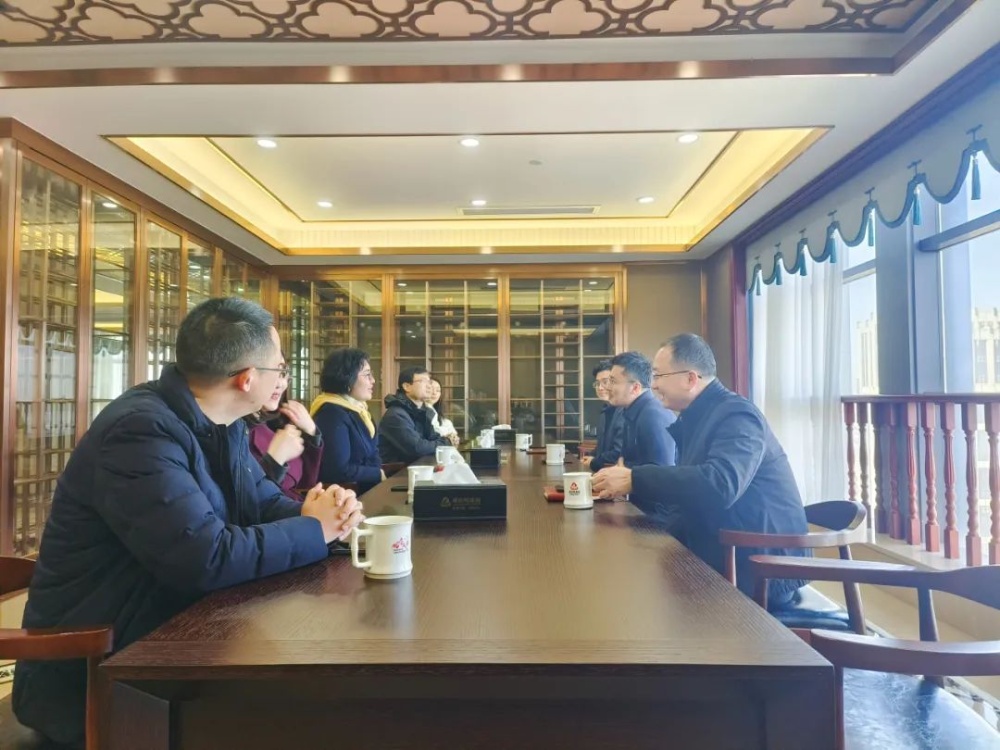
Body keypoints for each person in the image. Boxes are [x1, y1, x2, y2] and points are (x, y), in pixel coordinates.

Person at [13, 298, 364, 747]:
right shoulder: (140, 431)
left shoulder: (224, 423)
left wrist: (325, 514)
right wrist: (314, 529)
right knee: (311, 712)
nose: (283, 379)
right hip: (103, 675)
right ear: (247, 378)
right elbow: (205, 557)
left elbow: (259, 502)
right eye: (279, 368)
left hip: (179, 637)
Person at [592, 333, 808, 605]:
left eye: (658, 376)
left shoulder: (737, 415)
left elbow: (720, 485)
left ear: (690, 379)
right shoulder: (698, 416)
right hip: (721, 548)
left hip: (757, 567)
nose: (653, 384)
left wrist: (634, 478)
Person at [310, 348, 384, 495]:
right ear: (346, 378)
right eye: (367, 375)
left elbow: (373, 453)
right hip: (348, 496)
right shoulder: (331, 414)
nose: (373, 381)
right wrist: (378, 474)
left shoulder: (359, 410)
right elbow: (338, 471)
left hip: (369, 489)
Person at [247, 362, 323, 501]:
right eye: (272, 372)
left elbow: (306, 482)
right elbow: (248, 501)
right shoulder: (235, 430)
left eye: (283, 374)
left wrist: (311, 433)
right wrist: (275, 460)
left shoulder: (279, 420)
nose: (280, 384)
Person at [606, 351, 676, 473]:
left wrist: (626, 473)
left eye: (613, 381)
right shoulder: (631, 411)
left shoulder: (653, 416)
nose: (607, 387)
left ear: (635, 388)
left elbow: (663, 472)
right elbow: (627, 462)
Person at [379, 367, 453, 464]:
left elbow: (433, 438)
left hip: (417, 467)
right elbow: (417, 448)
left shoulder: (423, 411)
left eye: (429, 382)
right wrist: (446, 441)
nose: (429, 386)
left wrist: (445, 441)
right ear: (407, 386)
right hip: (397, 471)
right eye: (423, 381)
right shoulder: (396, 415)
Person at [582, 359, 623, 471]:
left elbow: (619, 451)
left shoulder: (623, 411)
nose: (600, 388)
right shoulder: (605, 410)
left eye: (605, 382)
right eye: (597, 383)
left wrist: (595, 461)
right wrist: (590, 456)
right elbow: (602, 447)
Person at [425, 377, 459, 442]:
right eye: (430, 388)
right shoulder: (423, 410)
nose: (434, 393)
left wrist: (453, 437)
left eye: (438, 390)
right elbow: (434, 432)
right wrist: (449, 435)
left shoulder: (434, 411)